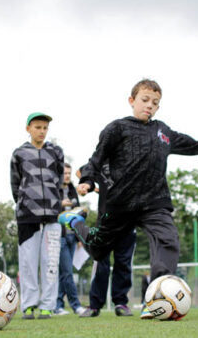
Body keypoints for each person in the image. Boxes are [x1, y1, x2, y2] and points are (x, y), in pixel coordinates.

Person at [58, 79, 198, 320]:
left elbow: (187, 142)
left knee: (167, 239)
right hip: (119, 205)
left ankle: (156, 298)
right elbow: (97, 158)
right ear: (132, 101)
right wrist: (87, 179)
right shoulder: (116, 128)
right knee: (98, 251)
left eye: (155, 103)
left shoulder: (163, 131)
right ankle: (76, 222)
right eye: (145, 100)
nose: (150, 106)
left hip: (154, 202)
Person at [10, 112, 65, 320]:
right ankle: (29, 305)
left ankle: (47, 306)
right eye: (38, 127)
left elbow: (59, 180)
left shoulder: (56, 152)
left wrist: (54, 203)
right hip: (27, 215)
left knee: (50, 262)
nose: (41, 131)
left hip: (52, 215)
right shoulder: (19, 153)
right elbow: (15, 184)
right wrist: (25, 202)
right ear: (28, 129)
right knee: (28, 263)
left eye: (45, 128)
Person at [75, 166, 137, 318]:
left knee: (123, 263)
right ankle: (95, 305)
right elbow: (82, 173)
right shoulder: (101, 160)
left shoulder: (134, 158)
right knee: (100, 263)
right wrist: (88, 186)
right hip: (105, 223)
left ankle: (121, 303)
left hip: (128, 221)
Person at [54, 164, 87, 316]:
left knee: (64, 273)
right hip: (59, 236)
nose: (67, 175)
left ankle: (58, 305)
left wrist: (80, 236)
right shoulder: (54, 190)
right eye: (64, 173)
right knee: (67, 271)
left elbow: (78, 216)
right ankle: (76, 305)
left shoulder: (73, 190)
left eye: (69, 173)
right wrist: (60, 205)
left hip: (72, 236)